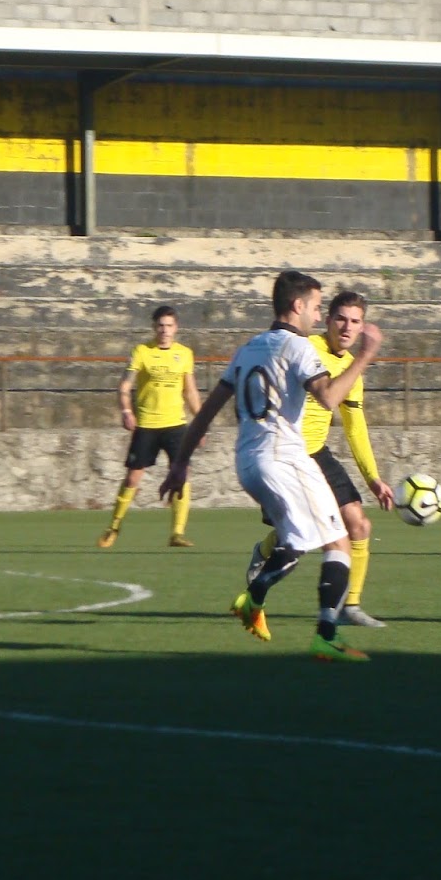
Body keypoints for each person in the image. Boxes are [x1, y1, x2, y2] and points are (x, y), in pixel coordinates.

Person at [159, 270, 382, 663]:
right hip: (285, 457)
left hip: (248, 462)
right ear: (297, 306)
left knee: (313, 539)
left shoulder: (248, 348)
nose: (318, 316)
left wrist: (180, 463)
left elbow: (206, 411)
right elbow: (329, 398)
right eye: (316, 307)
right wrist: (364, 357)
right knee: (329, 542)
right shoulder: (299, 347)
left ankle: (267, 605)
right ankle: (311, 629)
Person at [247, 289, 394, 627]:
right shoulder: (304, 348)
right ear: (326, 320)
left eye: (355, 321)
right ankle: (265, 552)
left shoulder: (351, 369)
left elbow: (355, 427)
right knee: (298, 535)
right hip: (286, 454)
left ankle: (349, 606)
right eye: (340, 319)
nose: (347, 327)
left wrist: (373, 478)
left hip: (317, 452)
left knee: (359, 524)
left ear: (362, 327)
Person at [97, 305, 202, 549]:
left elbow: (190, 391)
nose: (165, 330)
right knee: (133, 477)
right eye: (161, 326)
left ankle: (177, 533)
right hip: (147, 424)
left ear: (176, 328)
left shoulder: (184, 354)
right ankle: (114, 526)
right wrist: (126, 411)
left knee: (182, 475)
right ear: (154, 327)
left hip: (176, 424)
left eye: (169, 326)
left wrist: (200, 423)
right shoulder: (142, 351)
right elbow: (125, 386)